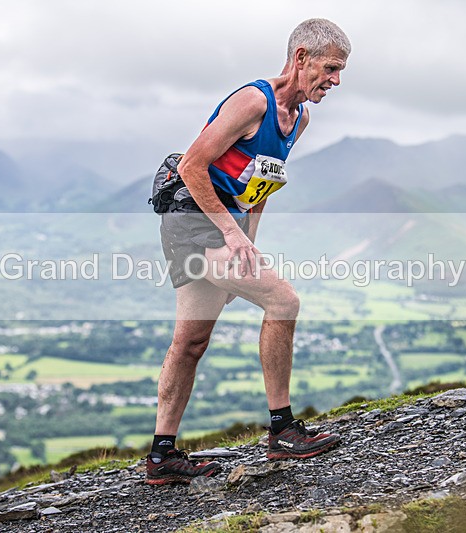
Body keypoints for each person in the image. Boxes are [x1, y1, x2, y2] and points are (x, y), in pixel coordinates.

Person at [146, 18, 351, 485]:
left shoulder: (298, 119)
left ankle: (162, 457)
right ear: (301, 58)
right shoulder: (252, 101)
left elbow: (260, 185)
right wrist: (232, 237)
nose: (336, 81)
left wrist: (247, 245)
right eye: (331, 68)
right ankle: (281, 429)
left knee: (191, 341)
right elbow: (194, 164)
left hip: (219, 227)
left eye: (341, 72)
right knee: (284, 301)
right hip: (190, 219)